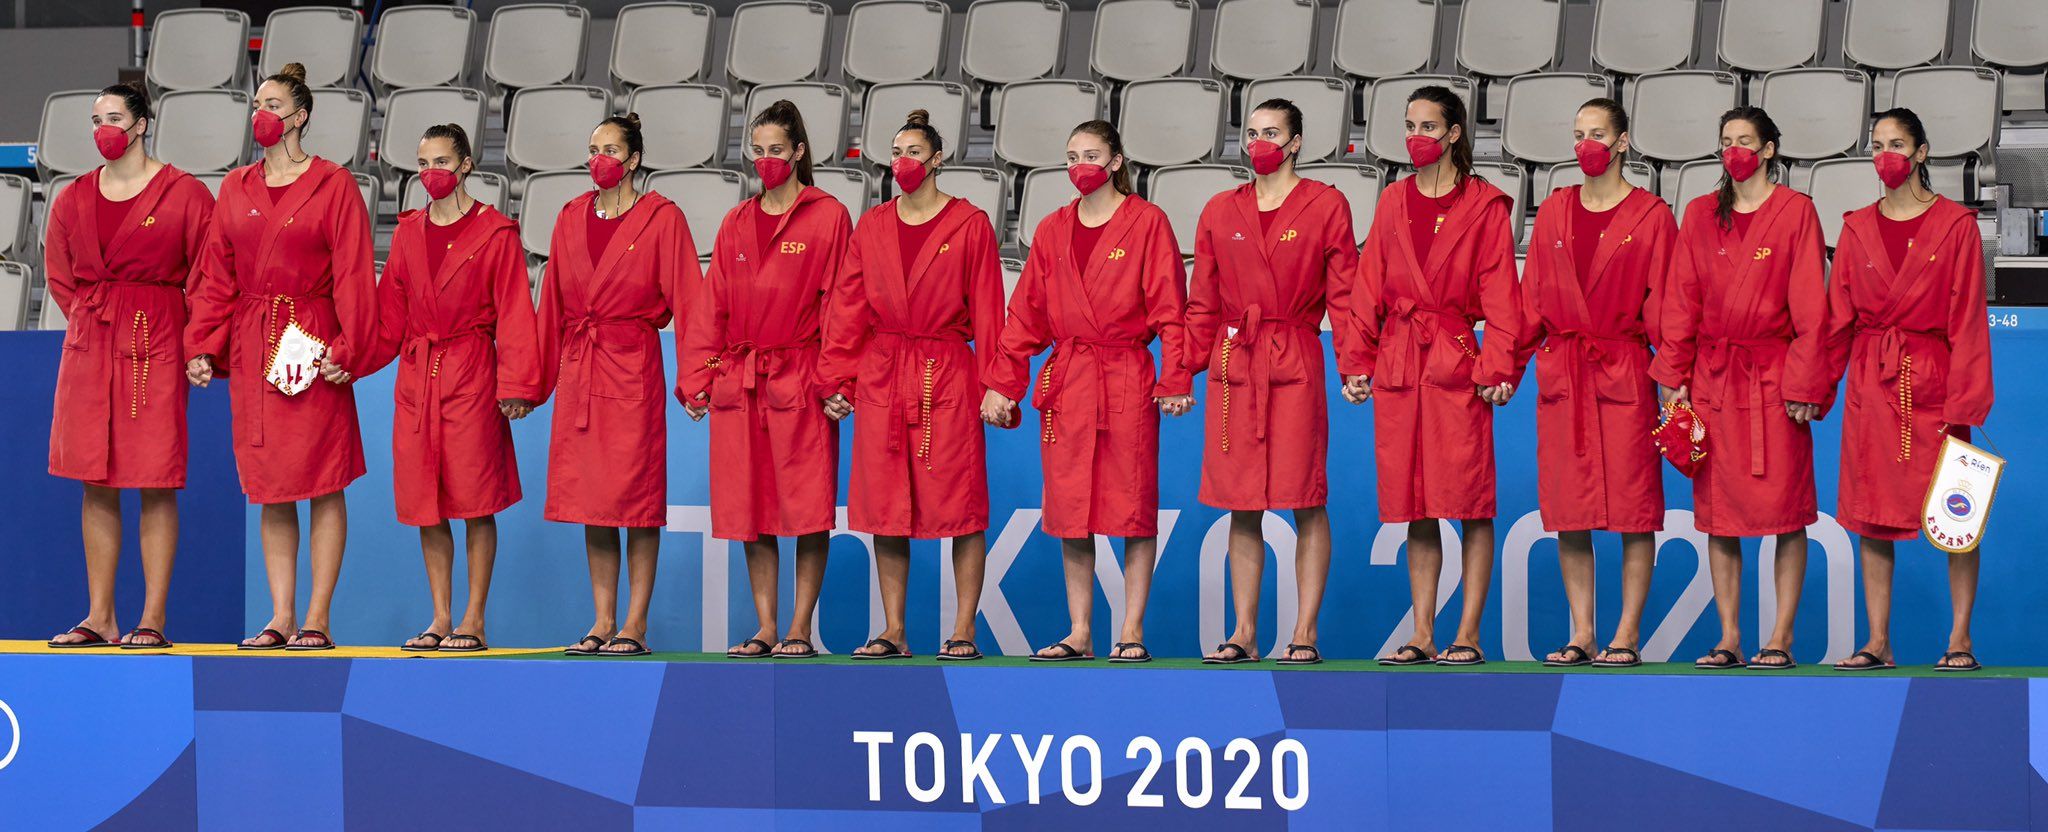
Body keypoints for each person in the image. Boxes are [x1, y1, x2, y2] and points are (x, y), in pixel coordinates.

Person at [983, 119, 1194, 663]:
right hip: (1070, 380)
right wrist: (1003, 381)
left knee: (1132, 505)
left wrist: (1175, 378)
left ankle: (1131, 629)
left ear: (1117, 161)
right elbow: (1025, 312)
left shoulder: (1148, 223)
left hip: (1125, 375)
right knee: (1071, 508)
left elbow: (1172, 310)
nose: (1080, 165)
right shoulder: (1052, 229)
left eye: (1092, 155)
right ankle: (1079, 631)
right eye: (1072, 155)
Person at [183, 63, 375, 651]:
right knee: (270, 485)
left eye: (271, 105)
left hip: (311, 342)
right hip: (254, 345)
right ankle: (281, 614)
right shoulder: (235, 186)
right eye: (256, 105)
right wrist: (202, 342)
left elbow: (353, 274)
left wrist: (349, 346)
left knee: (322, 480)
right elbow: (215, 274)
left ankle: (316, 617)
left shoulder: (335, 185)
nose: (260, 115)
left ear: (300, 116)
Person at [1794, 109, 1993, 672]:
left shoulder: (1955, 225)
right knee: (1870, 513)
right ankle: (1877, 641)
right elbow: (1837, 319)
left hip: (1935, 382)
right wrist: (1815, 384)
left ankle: (1960, 638)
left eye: (1898, 144)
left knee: (1957, 514)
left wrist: (1966, 402)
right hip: (1872, 386)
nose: (1886, 156)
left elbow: (1968, 320)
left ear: (1922, 154)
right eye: (1878, 145)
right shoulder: (1855, 226)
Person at [818, 109, 1008, 660]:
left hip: (945, 372)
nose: (903, 163)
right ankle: (893, 629)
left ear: (938, 159)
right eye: (896, 153)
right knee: (886, 506)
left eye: (914, 153)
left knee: (962, 504)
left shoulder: (969, 225)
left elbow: (991, 309)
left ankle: (964, 628)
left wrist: (997, 382)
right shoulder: (872, 225)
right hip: (884, 372)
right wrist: (838, 379)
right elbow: (848, 307)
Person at [1348, 85, 1521, 668]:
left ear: (1453, 134)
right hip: (1399, 361)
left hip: (1453, 362)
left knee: (1469, 500)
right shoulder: (1393, 200)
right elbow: (1368, 284)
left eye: (1428, 126)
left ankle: (1467, 632)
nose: (1415, 137)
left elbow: (1501, 292)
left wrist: (1496, 366)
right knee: (1415, 503)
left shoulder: (1486, 205)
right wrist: (1355, 361)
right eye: (1409, 125)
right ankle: (1422, 630)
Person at [1651, 107, 1828, 670]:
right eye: (1725, 141)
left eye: (1745, 141)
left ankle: (1780, 636)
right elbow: (1680, 301)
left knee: (1788, 511)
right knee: (1717, 514)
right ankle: (1728, 634)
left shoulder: (1797, 212)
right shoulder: (1701, 213)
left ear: (1770, 149)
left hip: (1774, 381)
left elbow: (1811, 309)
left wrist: (1803, 383)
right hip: (1712, 379)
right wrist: (1673, 374)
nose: (1734, 151)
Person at [1185, 99, 1360, 665]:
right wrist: (1176, 374)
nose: (1258, 142)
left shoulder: (1327, 204)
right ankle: (1243, 631)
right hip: (1236, 363)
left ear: (1296, 142)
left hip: (1295, 358)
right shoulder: (1218, 209)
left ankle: (1304, 631)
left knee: (1305, 498)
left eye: (1270, 133)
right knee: (1242, 504)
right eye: (1251, 132)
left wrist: (1355, 363)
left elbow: (1346, 293)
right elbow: (1202, 302)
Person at [44, 83, 214, 649]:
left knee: (155, 479)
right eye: (95, 120)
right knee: (95, 480)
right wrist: (96, 321)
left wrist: (197, 342)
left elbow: (209, 275)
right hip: (92, 344)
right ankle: (100, 616)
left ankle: (153, 619)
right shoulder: (71, 198)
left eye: (113, 118)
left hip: (155, 338)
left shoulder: (185, 193)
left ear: (142, 123)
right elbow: (61, 278)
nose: (102, 130)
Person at [360, 124, 541, 653]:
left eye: (441, 161)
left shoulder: (496, 234)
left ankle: (474, 618)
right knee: (427, 503)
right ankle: (439, 616)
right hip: (418, 376)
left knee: (475, 500)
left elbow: (513, 311)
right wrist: (348, 359)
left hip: (471, 373)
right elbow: (388, 315)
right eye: (422, 163)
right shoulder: (409, 231)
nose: (430, 173)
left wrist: (516, 384)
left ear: (465, 165)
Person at [679, 100, 849, 660]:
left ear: (799, 152)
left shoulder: (828, 216)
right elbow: (711, 308)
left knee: (805, 508)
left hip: (801, 377)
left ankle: (800, 626)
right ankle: (767, 626)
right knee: (751, 511)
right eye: (759, 151)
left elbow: (841, 307)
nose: (766, 160)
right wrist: (698, 379)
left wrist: (835, 381)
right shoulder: (735, 222)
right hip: (741, 381)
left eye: (777, 150)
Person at [1516, 98, 1676, 669]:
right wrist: (1502, 368)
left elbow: (1667, 304)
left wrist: (1672, 374)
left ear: (1623, 142)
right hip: (1565, 372)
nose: (1586, 144)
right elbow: (1531, 298)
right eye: (1578, 133)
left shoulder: (1653, 216)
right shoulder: (1555, 210)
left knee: (1635, 510)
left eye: (1598, 134)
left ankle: (1627, 633)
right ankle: (1582, 632)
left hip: (1624, 370)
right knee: (1569, 511)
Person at [535, 114, 699, 657]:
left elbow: (691, 304)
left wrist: (697, 379)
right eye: (591, 149)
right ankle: (602, 619)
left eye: (609, 149)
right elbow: (551, 305)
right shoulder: (569, 217)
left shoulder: (662, 219)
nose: (597, 159)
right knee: (593, 499)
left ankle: (635, 622)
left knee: (635, 498)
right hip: (581, 367)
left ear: (632, 161)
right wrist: (529, 381)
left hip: (631, 366)